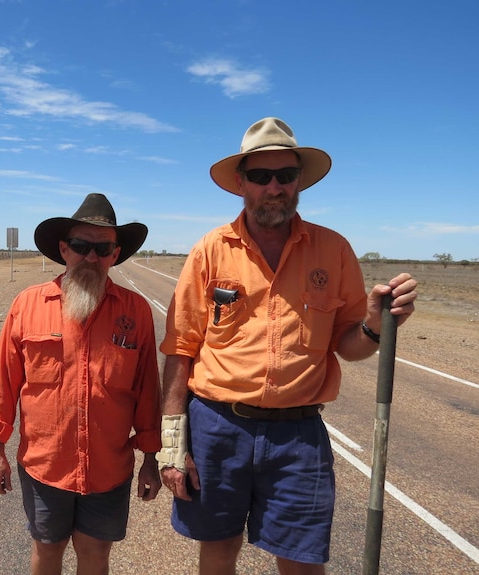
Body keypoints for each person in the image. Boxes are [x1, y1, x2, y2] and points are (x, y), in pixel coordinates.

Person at [157, 117, 418, 575]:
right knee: (218, 551)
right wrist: (172, 445)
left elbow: (349, 345)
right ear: (241, 183)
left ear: (300, 181)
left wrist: (375, 326)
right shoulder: (209, 251)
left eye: (285, 175)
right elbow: (181, 349)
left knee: (302, 561)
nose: (274, 186)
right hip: (217, 427)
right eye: (261, 176)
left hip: (299, 437)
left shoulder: (333, 250)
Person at [0, 193, 162, 575]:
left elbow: (148, 391)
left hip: (109, 469)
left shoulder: (136, 311)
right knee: (47, 551)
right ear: (64, 250)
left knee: (95, 554)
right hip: (45, 466)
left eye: (103, 248)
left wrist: (151, 459)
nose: (92, 257)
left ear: (115, 254)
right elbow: (3, 384)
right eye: (81, 247)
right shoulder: (27, 305)